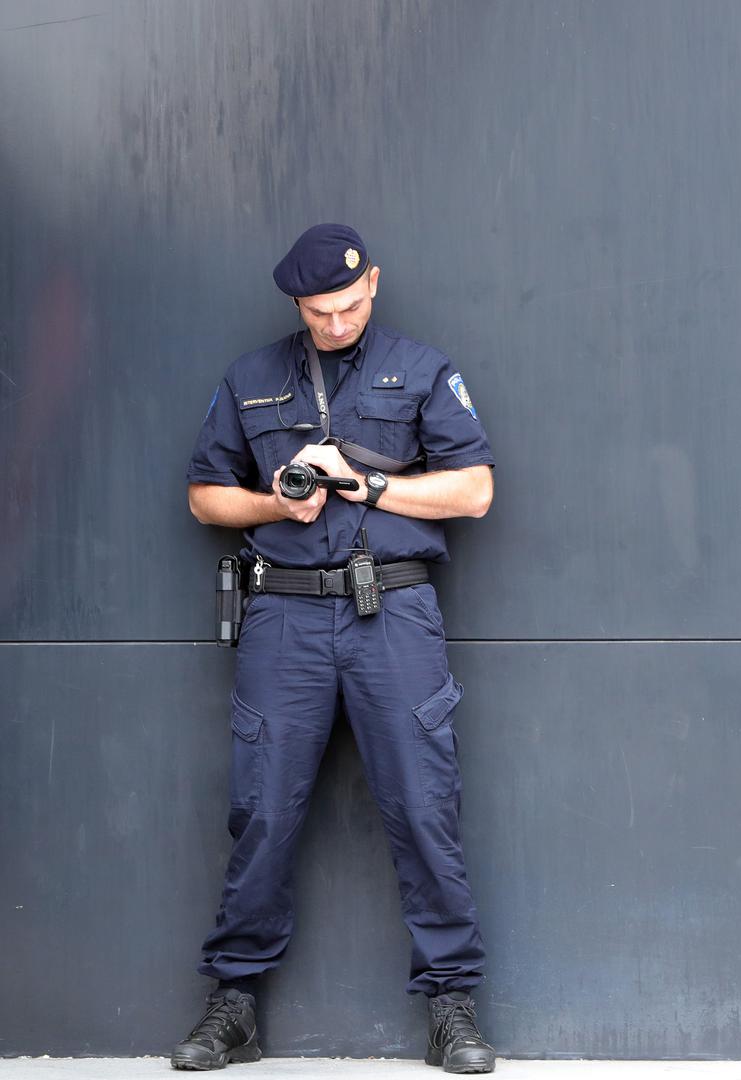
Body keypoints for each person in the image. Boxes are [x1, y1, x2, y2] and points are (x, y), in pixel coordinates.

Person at [173, 223, 498, 1074]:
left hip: (394, 612)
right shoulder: (251, 378)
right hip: (285, 617)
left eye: (349, 305)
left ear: (374, 283)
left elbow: (474, 490)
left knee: (424, 806)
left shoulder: (423, 370)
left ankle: (452, 1005)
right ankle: (233, 1003)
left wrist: (370, 484)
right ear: (296, 304)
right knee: (262, 810)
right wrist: (277, 506)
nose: (336, 322)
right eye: (319, 311)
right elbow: (206, 498)